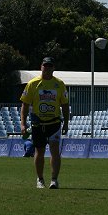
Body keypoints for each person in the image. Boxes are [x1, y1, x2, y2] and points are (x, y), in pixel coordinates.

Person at [20, 56, 69, 189]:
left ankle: (54, 180)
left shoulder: (59, 84)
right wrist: (23, 124)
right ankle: (40, 179)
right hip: (38, 123)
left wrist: (66, 123)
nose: (47, 68)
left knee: (54, 150)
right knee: (39, 151)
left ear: (53, 68)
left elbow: (65, 105)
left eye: (49, 66)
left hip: (54, 123)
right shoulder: (33, 84)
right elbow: (24, 105)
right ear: (41, 67)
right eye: (45, 66)